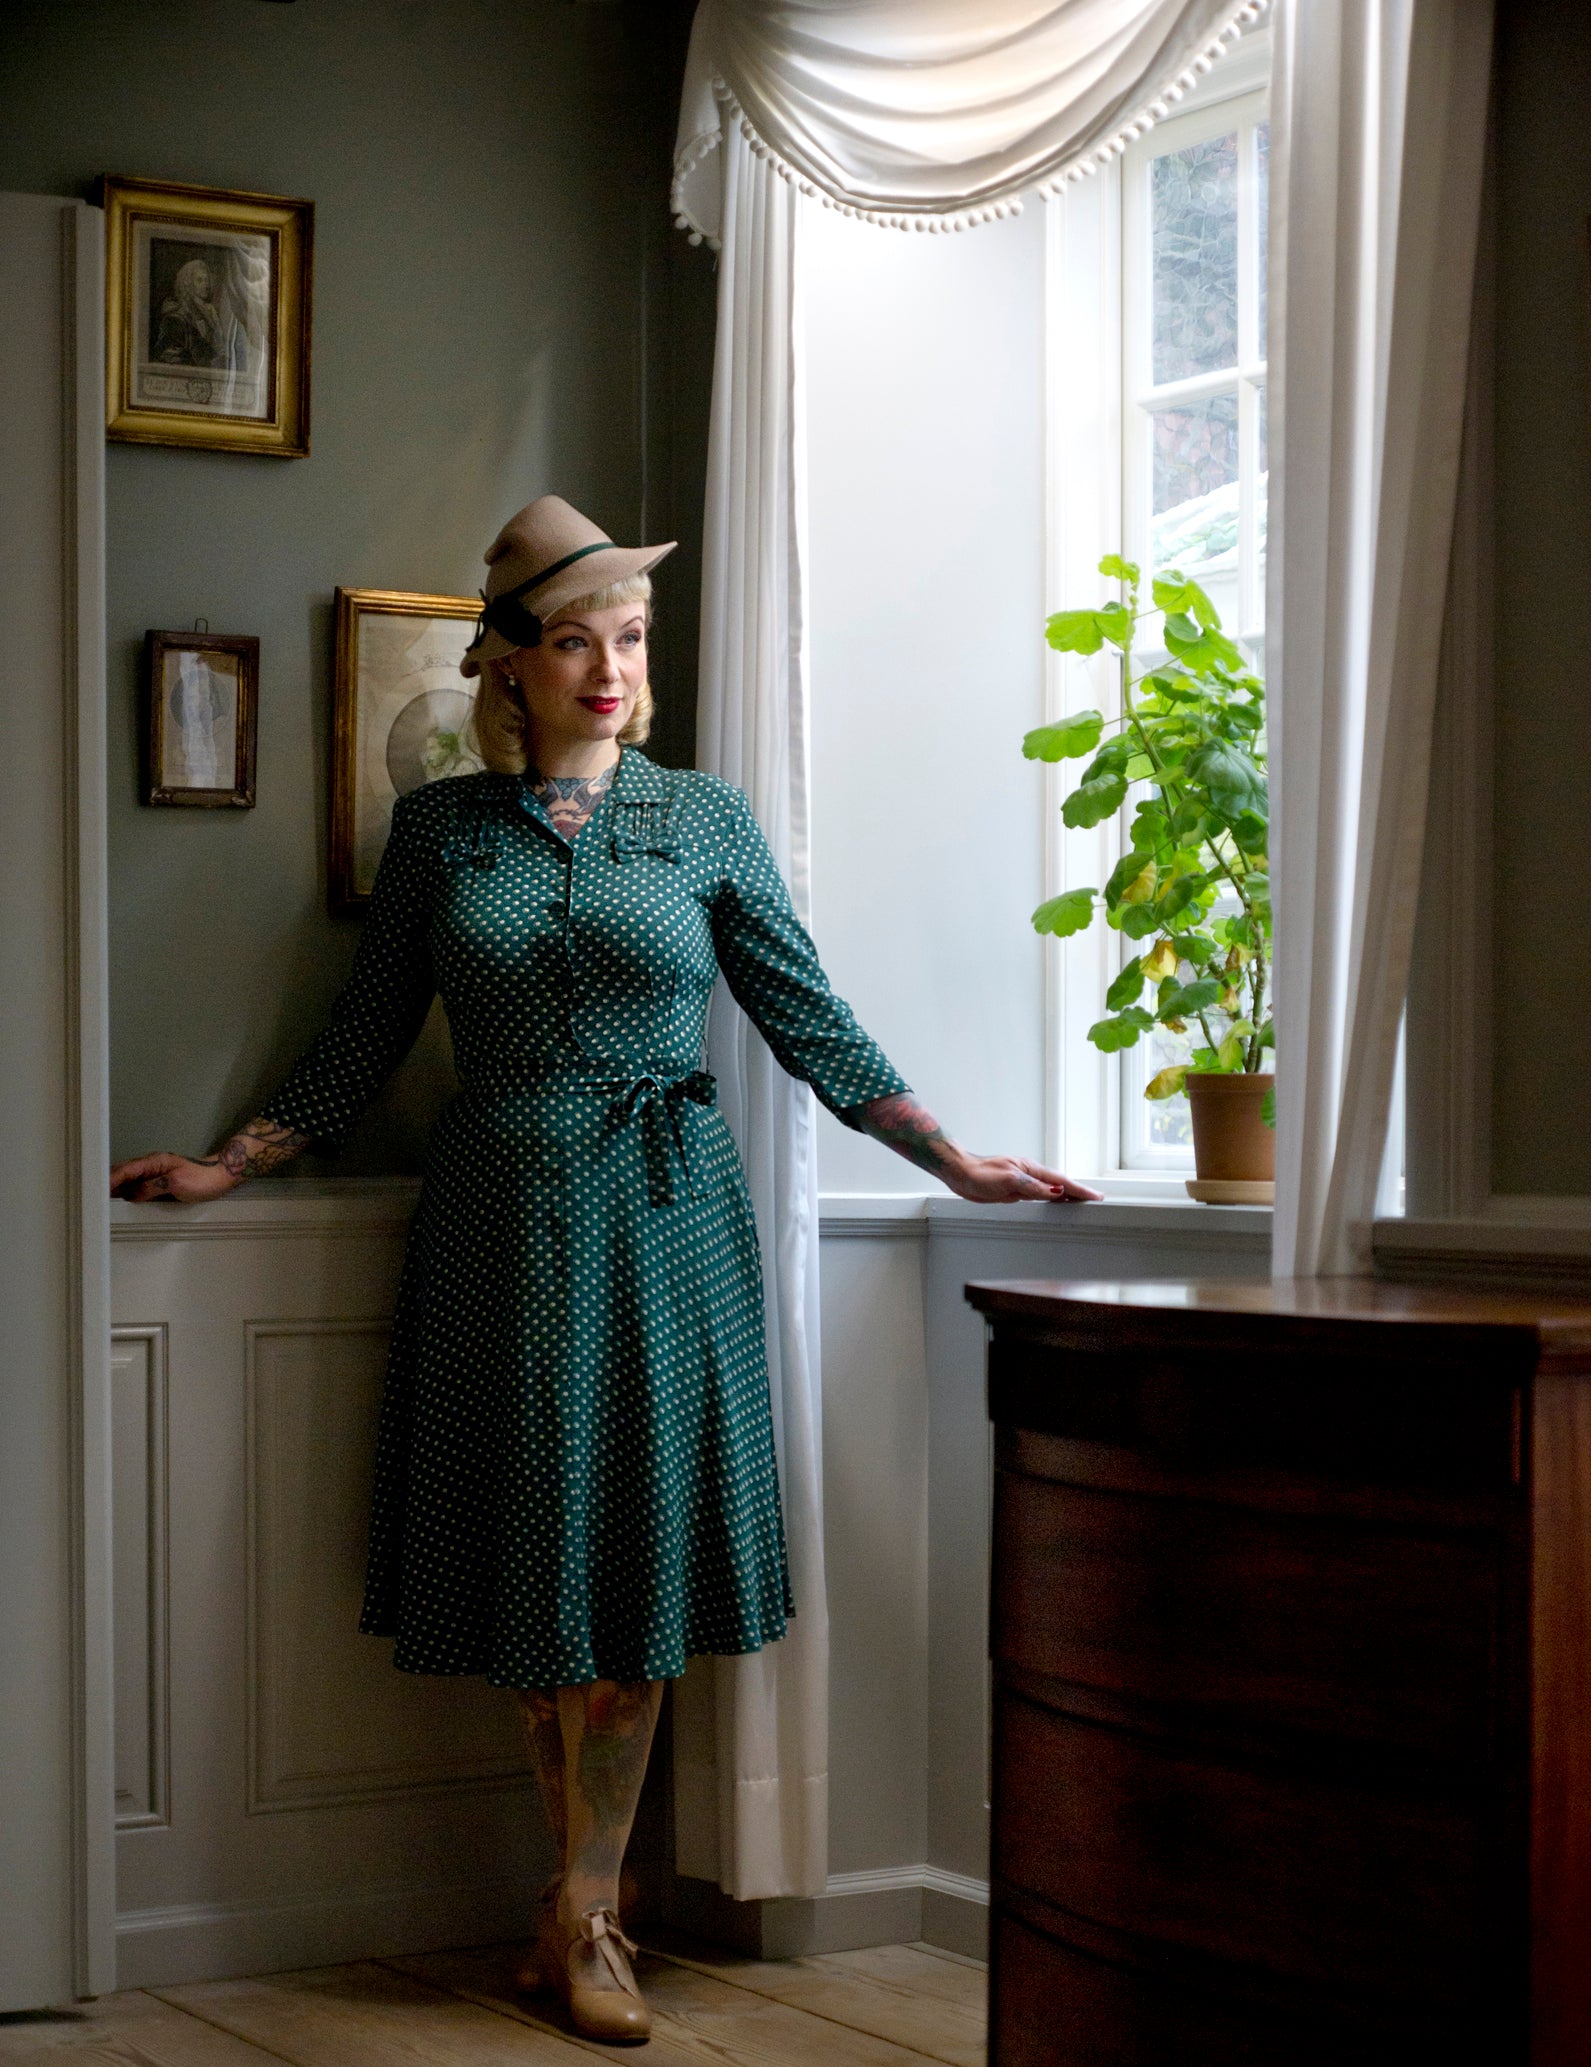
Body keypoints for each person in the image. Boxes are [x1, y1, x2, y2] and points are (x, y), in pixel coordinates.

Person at [110, 495, 1098, 2043]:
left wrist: (952, 1160)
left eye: (629, 638)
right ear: (506, 664)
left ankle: (587, 1911)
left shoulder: (703, 821)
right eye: (574, 642)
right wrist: (231, 1164)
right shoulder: (442, 833)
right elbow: (365, 1034)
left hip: (664, 1220)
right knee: (532, 1558)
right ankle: (573, 1900)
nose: (611, 670)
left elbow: (807, 1014)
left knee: (632, 1565)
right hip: (496, 1225)